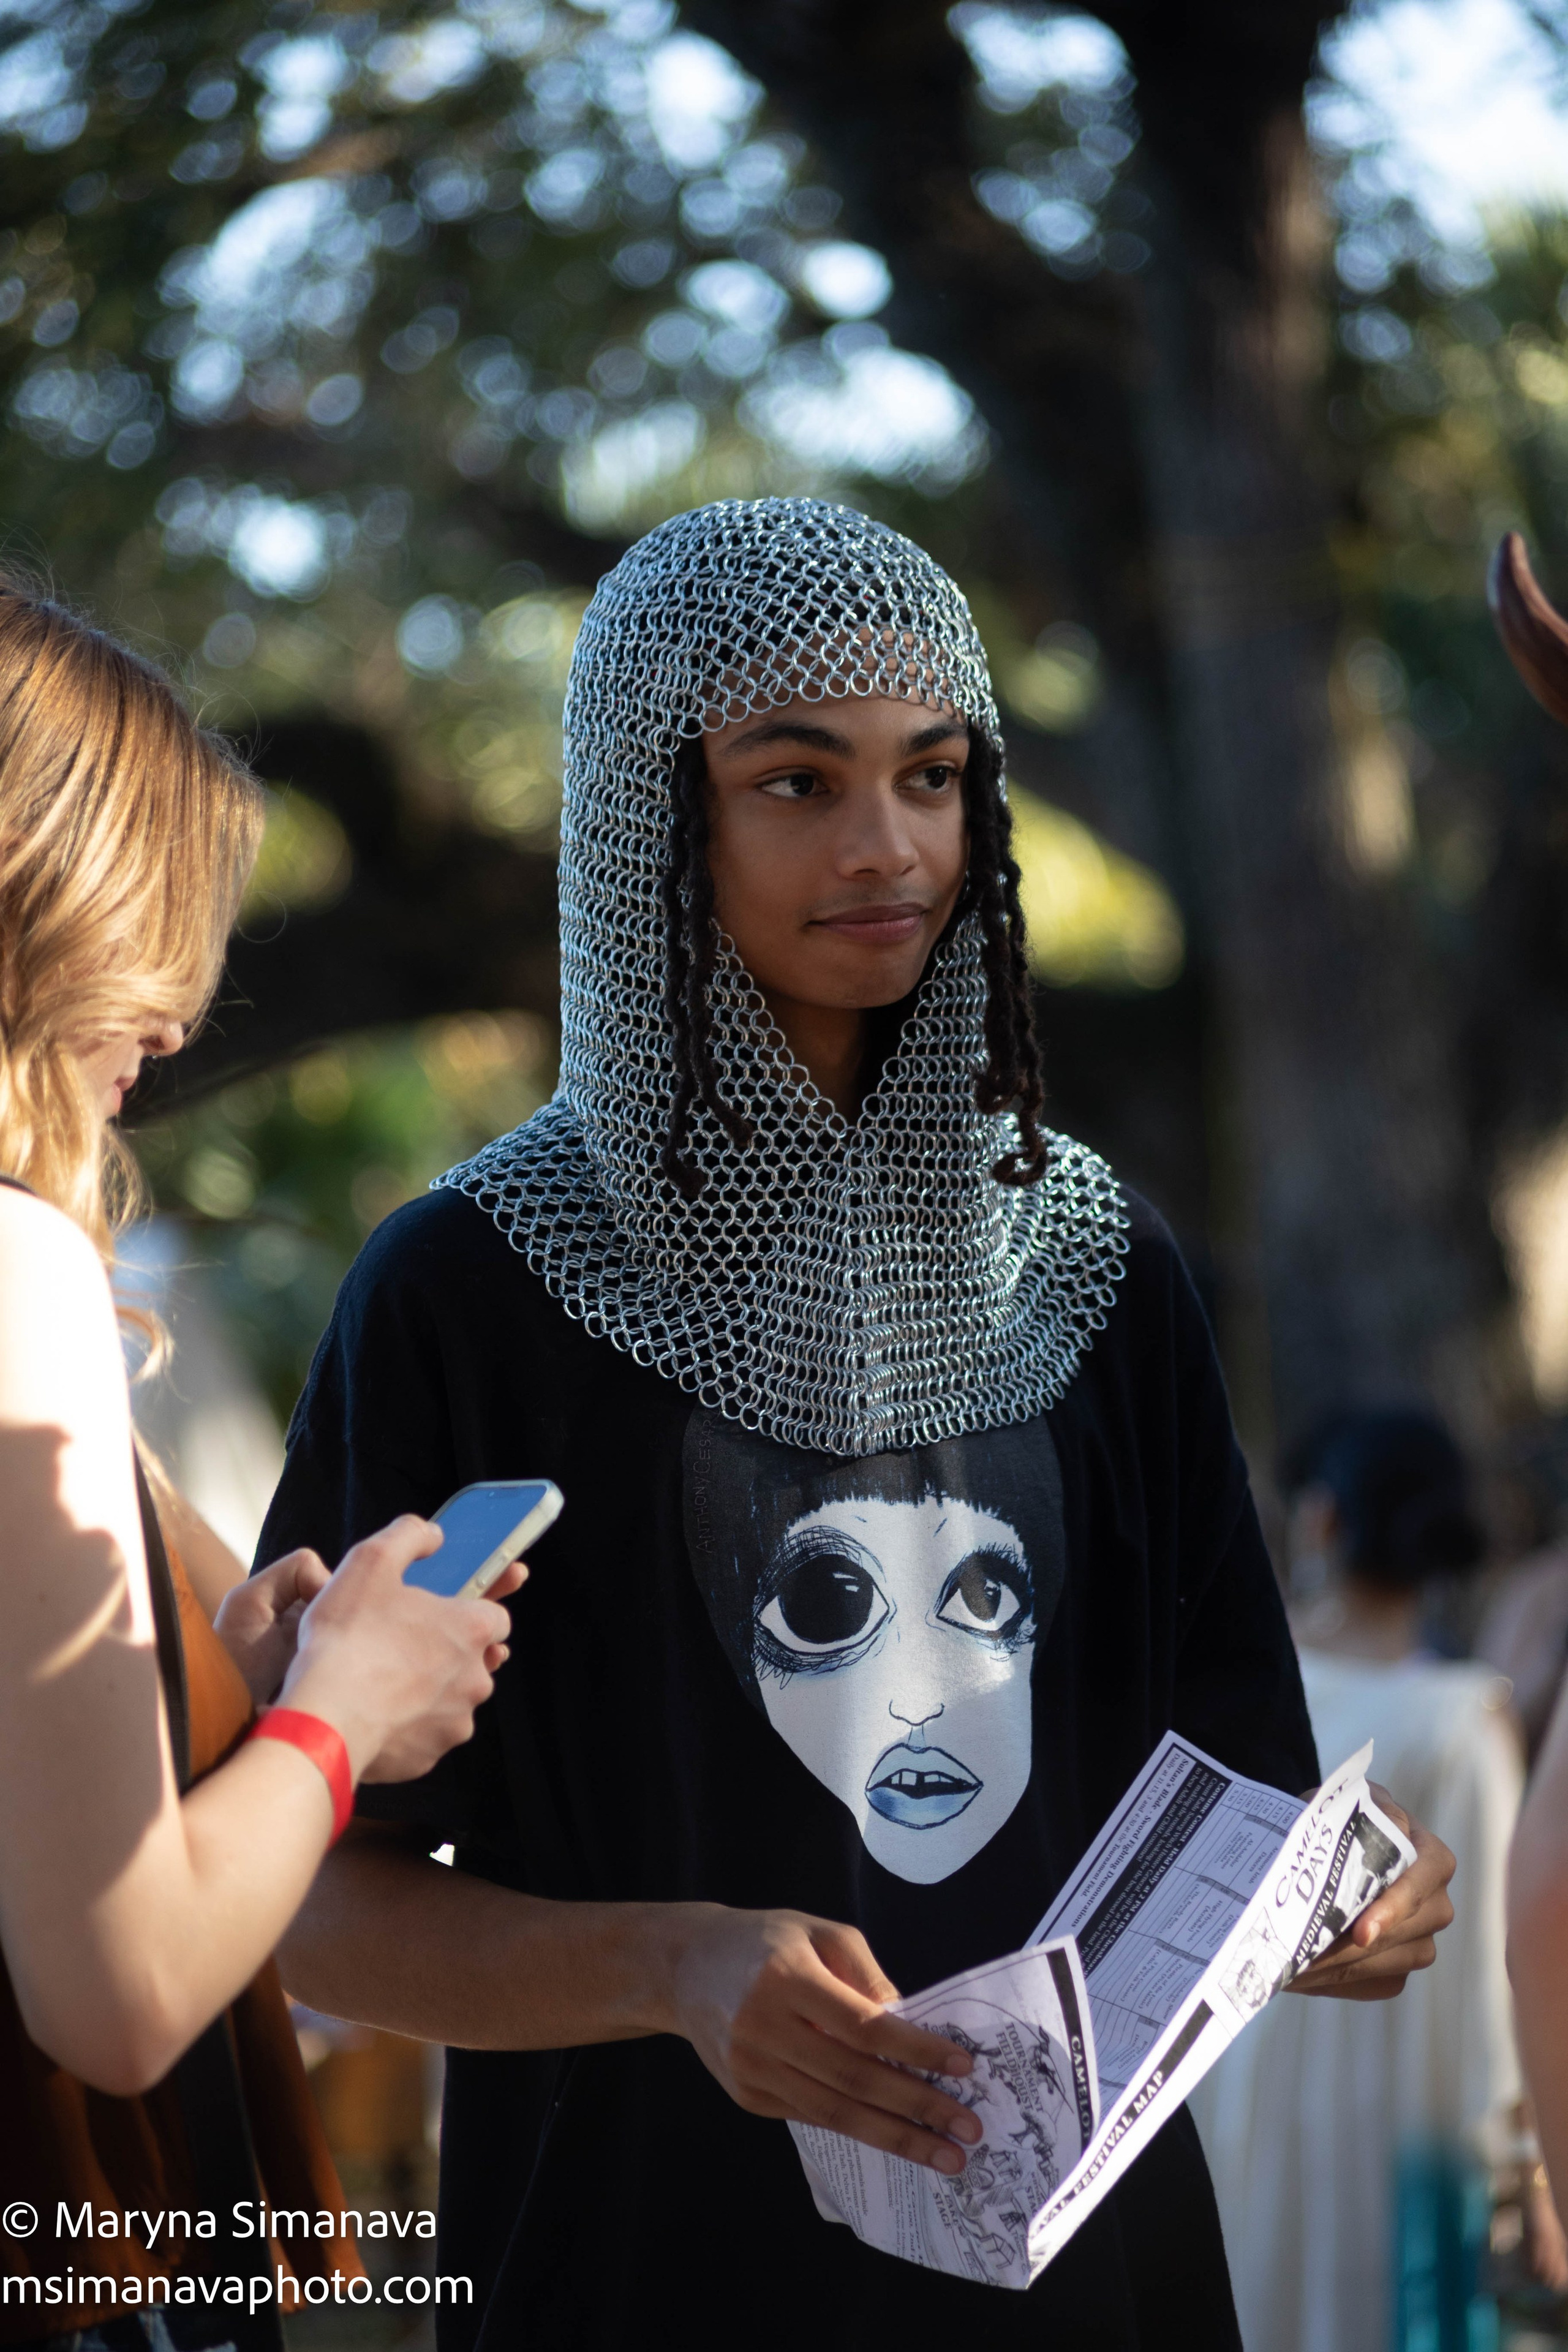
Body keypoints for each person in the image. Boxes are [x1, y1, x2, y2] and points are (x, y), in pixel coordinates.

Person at [261, 500, 1457, 2349]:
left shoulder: (1098, 1265)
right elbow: (309, 1905)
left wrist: (1336, 1909)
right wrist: (668, 1965)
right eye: (798, 783)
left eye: (935, 776)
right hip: (644, 2275)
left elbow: (1239, 1814)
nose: (892, 847)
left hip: (1091, 2294)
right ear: (661, 819)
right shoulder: (465, 1291)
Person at [0, 579, 520, 2346]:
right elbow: (122, 1988)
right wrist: (339, 1717)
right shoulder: (14, 1274)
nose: (170, 1033)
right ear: (49, 903)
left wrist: (236, 1688)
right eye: (157, 952)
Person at [1191, 1408, 1547, 2352]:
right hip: (1386, 2105)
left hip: (1226, 2076)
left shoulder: (1233, 1690)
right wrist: (1517, 2156)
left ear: (1321, 1522)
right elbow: (1483, 1967)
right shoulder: (1462, 1719)